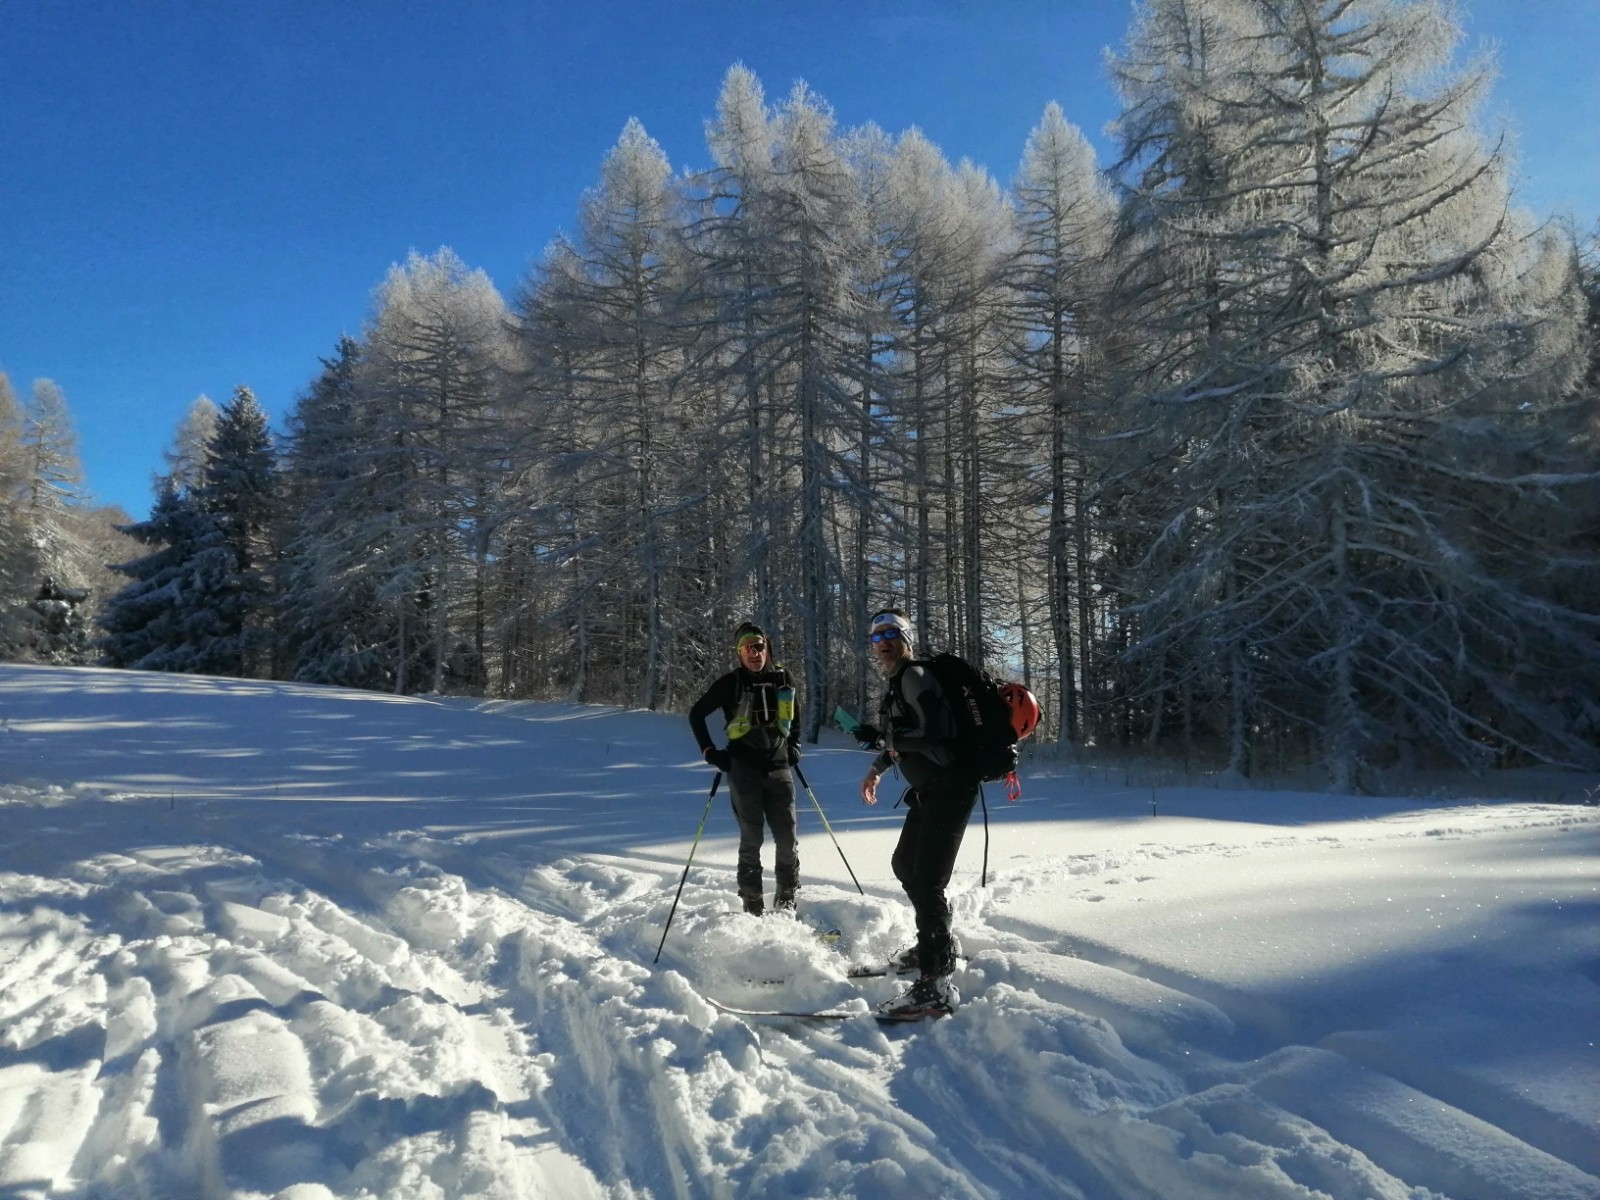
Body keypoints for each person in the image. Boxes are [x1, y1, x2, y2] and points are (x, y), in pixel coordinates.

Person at [857, 608, 976, 1019]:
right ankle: (937, 944)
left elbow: (935, 732)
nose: (883, 641)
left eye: (891, 633)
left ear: (906, 638)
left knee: (927, 881)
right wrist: (876, 769)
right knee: (905, 864)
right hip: (930, 792)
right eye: (876, 637)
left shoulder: (915, 677)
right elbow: (906, 739)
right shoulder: (897, 684)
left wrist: (888, 737)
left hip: (951, 789)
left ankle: (936, 986)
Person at [689, 622, 802, 916]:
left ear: (767, 647)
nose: (755, 653)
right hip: (743, 767)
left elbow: (796, 716)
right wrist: (710, 752)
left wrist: (795, 746)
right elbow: (696, 714)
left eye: (759, 646)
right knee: (752, 837)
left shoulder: (783, 678)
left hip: (778, 765)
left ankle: (787, 898)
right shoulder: (730, 683)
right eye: (748, 648)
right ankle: (753, 903)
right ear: (739, 654)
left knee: (787, 836)